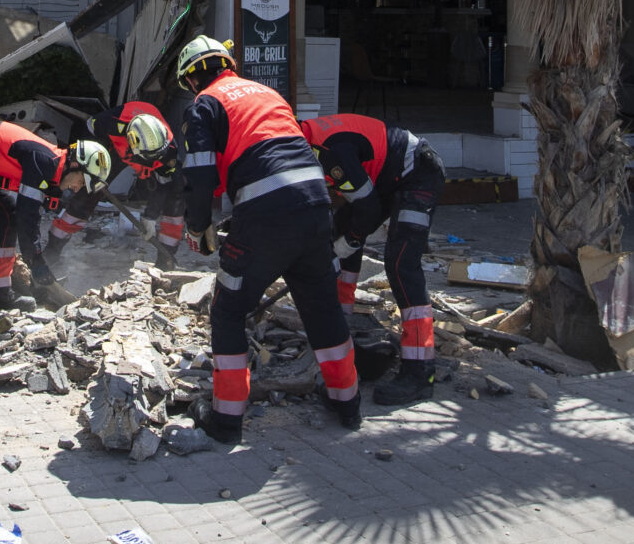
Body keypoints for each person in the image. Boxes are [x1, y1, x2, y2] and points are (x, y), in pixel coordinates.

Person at [176, 36, 360, 442]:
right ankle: (347, 402)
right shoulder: (265, 92)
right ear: (228, 63)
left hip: (264, 212)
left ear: (191, 79)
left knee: (228, 310)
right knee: (321, 307)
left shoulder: (204, 104)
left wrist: (197, 226)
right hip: (314, 205)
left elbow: (201, 174)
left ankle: (225, 420)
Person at [300, 113, 445, 406]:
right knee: (343, 230)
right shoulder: (306, 141)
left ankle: (420, 372)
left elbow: (366, 211)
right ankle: (340, 335)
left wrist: (344, 246)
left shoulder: (329, 152)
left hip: (418, 172)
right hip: (384, 179)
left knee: (402, 264)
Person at [0, 117, 113, 330]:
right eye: (81, 181)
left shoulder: (51, 168)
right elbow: (28, 216)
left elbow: (25, 214)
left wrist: (36, 261)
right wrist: (37, 263)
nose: (77, 188)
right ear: (74, 164)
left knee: (7, 217)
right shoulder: (43, 161)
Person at [98, 101, 187, 267]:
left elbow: (164, 185)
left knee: (176, 191)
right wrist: (94, 167)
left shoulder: (168, 149)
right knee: (89, 191)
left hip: (149, 153)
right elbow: (87, 132)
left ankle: (165, 260)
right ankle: (53, 251)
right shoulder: (110, 122)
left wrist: (150, 216)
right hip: (118, 150)